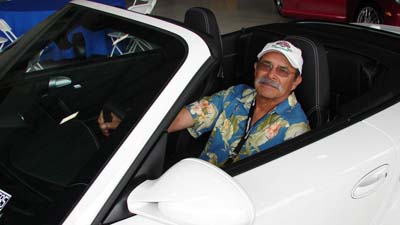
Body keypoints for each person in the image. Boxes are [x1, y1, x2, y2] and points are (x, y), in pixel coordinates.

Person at [98, 40, 310, 167]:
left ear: (296, 81)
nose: (271, 75)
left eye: (283, 71)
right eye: (266, 65)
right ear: (256, 68)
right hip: (196, 183)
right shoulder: (235, 95)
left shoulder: (296, 128)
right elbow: (180, 118)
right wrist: (128, 121)